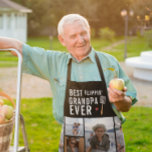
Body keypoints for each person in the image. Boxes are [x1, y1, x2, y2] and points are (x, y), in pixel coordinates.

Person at [0, 14, 137, 151]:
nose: (81, 40)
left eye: (83, 33)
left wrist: (120, 100)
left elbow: (127, 105)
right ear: (62, 40)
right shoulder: (53, 62)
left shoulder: (109, 62)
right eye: (73, 36)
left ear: (89, 32)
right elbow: (17, 46)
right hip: (72, 141)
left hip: (108, 141)